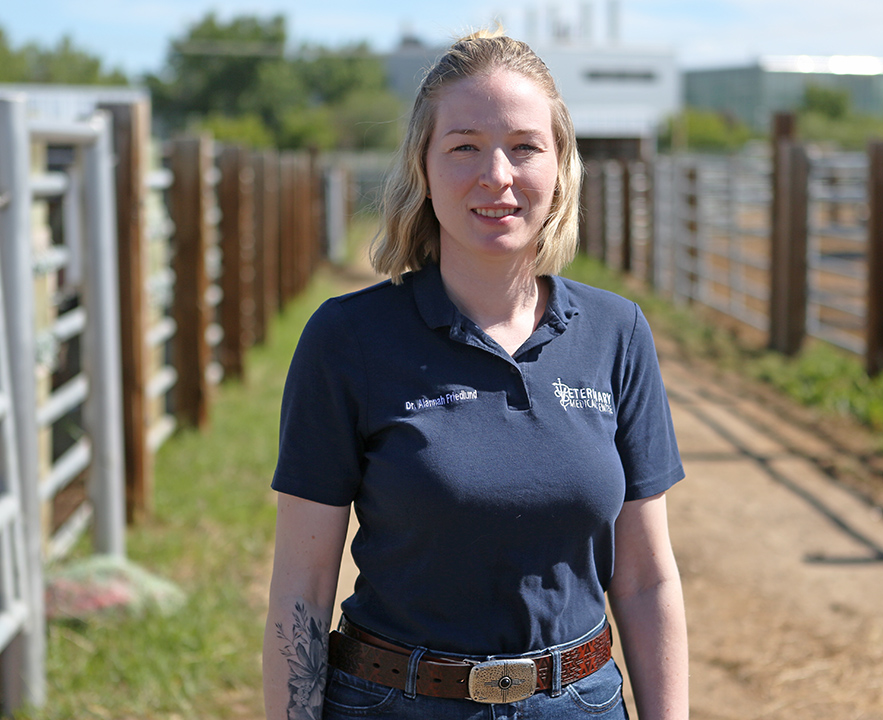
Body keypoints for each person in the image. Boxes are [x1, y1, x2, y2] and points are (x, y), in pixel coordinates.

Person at [263, 28, 688, 720]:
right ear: (423, 169)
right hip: (394, 704)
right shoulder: (348, 339)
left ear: (560, 167)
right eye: (464, 146)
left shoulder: (618, 334)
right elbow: (302, 590)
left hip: (579, 702)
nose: (498, 175)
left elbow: (645, 579)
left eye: (524, 146)